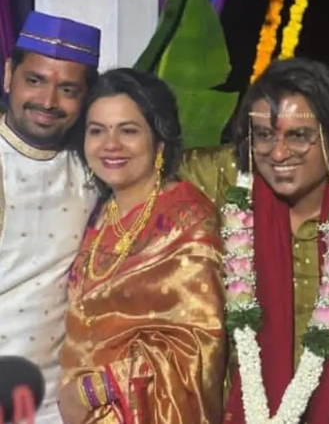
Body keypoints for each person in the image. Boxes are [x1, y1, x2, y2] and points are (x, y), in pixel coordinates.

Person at [177, 57, 329, 424]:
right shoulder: (228, 180)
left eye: (298, 135)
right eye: (264, 135)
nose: (279, 153)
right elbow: (143, 160)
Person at [58, 68, 226, 424]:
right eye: (97, 131)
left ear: (159, 139)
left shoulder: (187, 219)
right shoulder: (97, 213)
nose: (110, 144)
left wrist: (93, 390)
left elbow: (197, 345)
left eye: (128, 131)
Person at [0, 11, 100, 423]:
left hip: (54, 406)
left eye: (68, 89)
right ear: (9, 75)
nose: (47, 101)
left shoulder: (95, 170)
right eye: (35, 80)